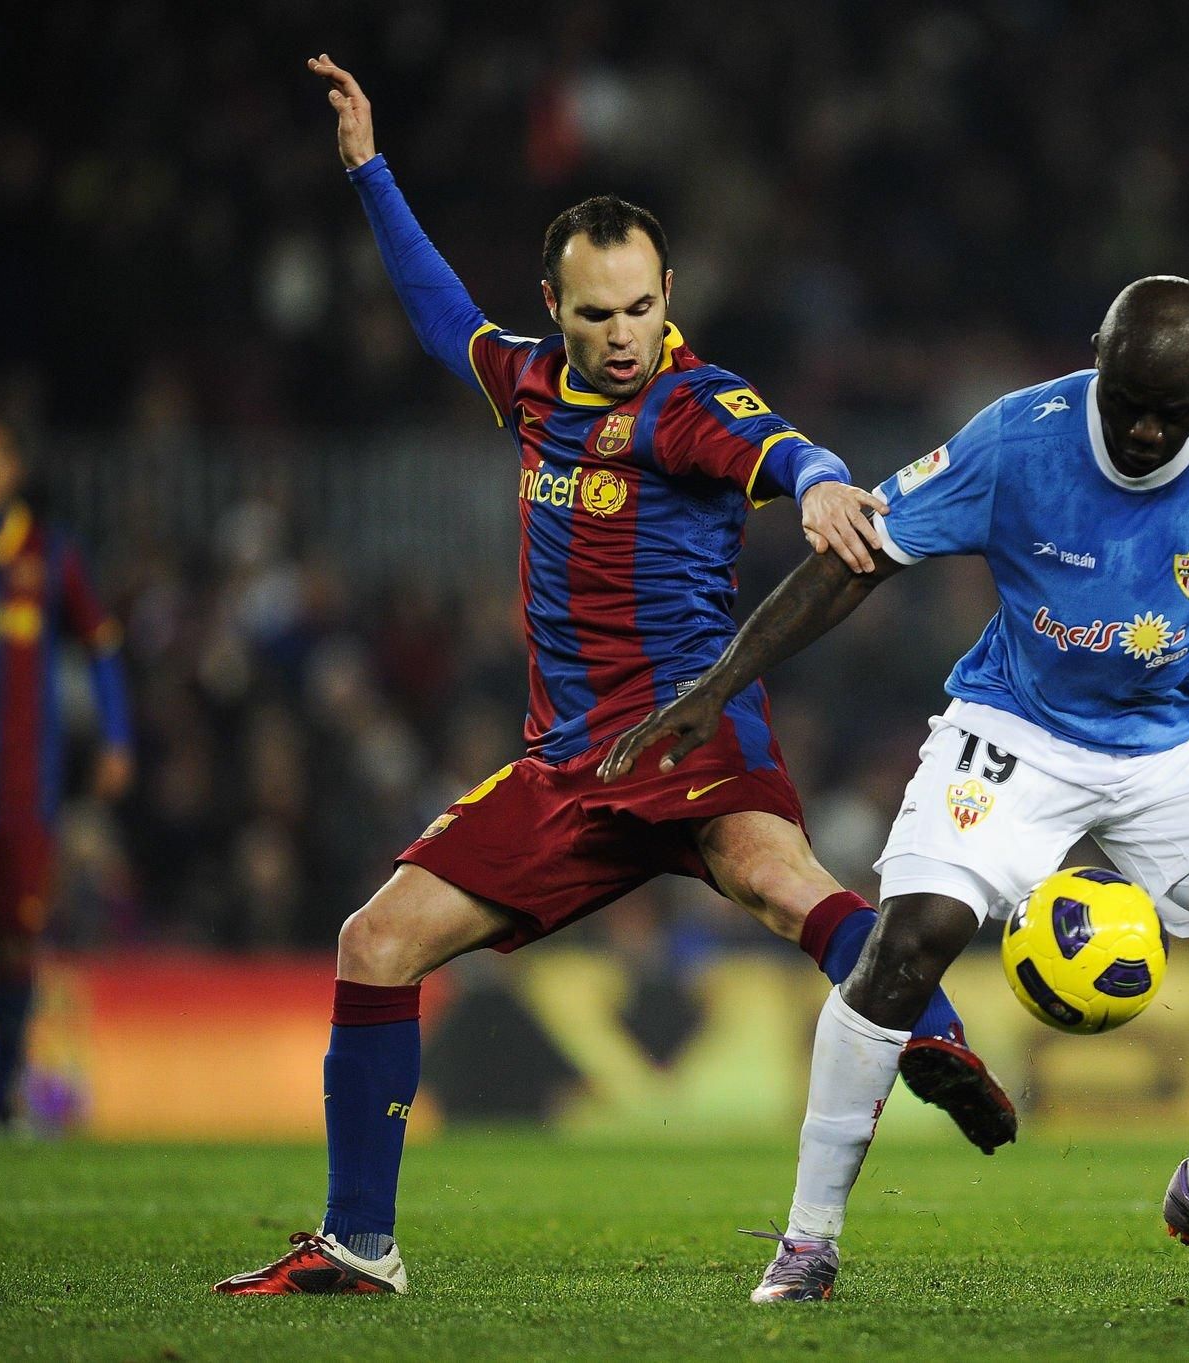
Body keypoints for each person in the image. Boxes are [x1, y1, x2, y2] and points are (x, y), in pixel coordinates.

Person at [213, 56, 1011, 1297]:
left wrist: (820, 487)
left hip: (686, 727)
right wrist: (368, 170)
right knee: (375, 942)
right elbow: (438, 310)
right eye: (597, 315)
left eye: (641, 306)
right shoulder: (529, 381)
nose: (624, 333)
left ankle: (939, 1041)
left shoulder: (689, 401)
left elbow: (779, 444)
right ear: (556, 308)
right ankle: (358, 1244)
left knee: (773, 878)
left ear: (667, 294)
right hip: (566, 767)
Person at [607, 276, 1189, 1302]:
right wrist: (718, 687)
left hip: (1181, 747)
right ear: (1096, 360)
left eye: (1172, 411)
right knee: (906, 942)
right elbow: (857, 558)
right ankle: (807, 1241)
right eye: (1128, 404)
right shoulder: (1020, 436)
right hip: (1015, 729)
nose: (1146, 432)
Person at [0, 410, 133, 1130]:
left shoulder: (48, 556)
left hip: (20, 795)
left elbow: (102, 646)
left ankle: (3, 1097)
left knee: (15, 943)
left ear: (13, 468)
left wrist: (116, 736)